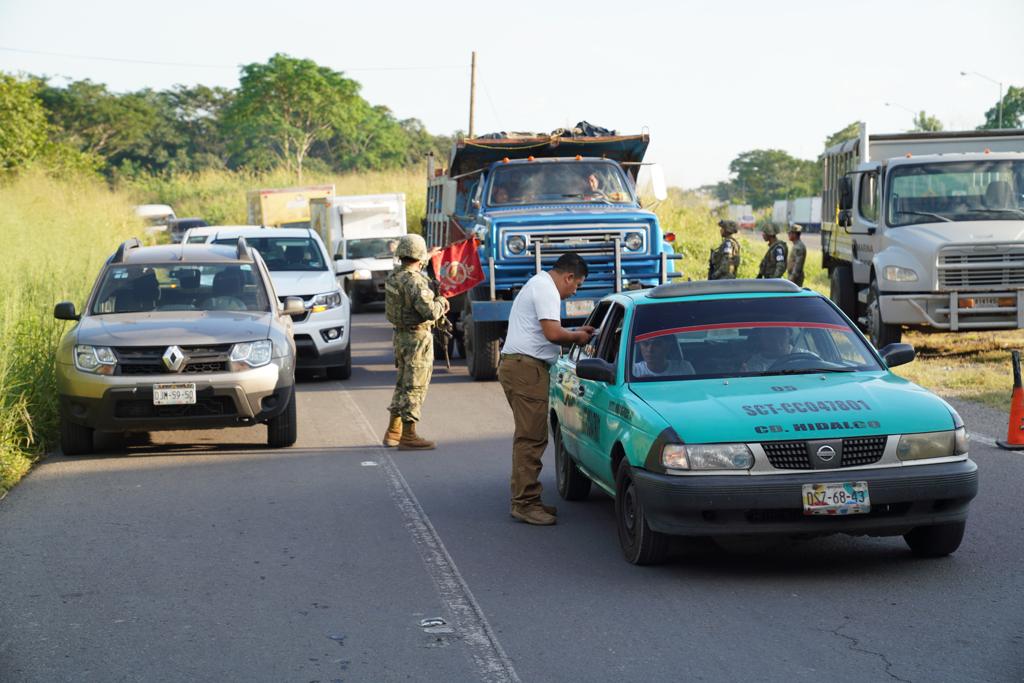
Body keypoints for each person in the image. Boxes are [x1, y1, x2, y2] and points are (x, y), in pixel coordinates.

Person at [498, 253, 594, 526]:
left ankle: (527, 499)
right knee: (531, 438)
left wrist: (574, 330)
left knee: (530, 436)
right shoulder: (547, 289)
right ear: (568, 277)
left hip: (522, 367)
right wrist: (577, 336)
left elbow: (547, 331)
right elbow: (553, 333)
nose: (574, 292)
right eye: (577, 285)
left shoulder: (539, 284)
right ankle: (525, 504)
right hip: (526, 369)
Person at [382, 234, 450, 450]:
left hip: (401, 336)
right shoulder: (416, 282)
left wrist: (427, 255)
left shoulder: (394, 276)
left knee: (403, 383)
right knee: (415, 386)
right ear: (418, 257)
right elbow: (430, 312)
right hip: (417, 339)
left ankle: (393, 431)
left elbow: (411, 265)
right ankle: (409, 436)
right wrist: (442, 301)